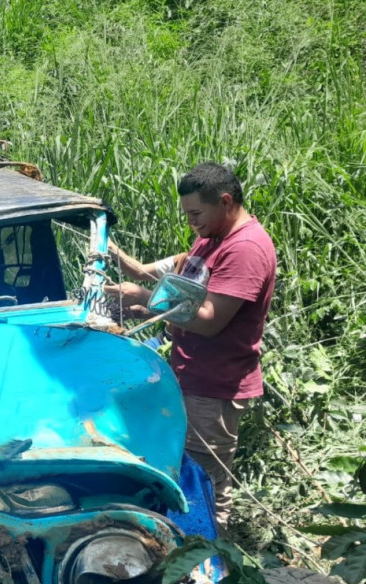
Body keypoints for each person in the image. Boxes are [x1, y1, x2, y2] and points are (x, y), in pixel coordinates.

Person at [105, 162, 277, 527]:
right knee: (185, 469)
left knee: (206, 481)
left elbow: (211, 320)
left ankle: (214, 564)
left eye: (196, 213)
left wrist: (148, 298)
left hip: (215, 386)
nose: (191, 223)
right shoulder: (211, 237)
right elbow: (157, 274)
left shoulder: (244, 249)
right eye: (187, 214)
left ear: (226, 201)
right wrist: (113, 253)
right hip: (190, 374)